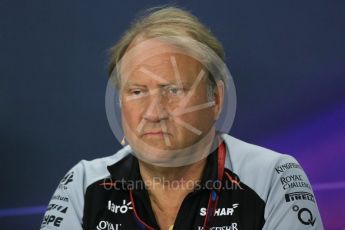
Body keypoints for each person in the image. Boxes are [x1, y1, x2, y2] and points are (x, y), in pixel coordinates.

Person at [40, 6, 323, 230]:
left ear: (216, 100)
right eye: (137, 91)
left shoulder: (273, 177)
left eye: (174, 90)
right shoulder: (83, 182)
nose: (153, 113)